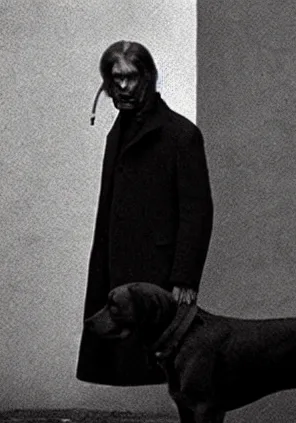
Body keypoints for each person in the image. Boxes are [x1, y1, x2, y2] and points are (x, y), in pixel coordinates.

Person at [77, 41, 214, 386]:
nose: (123, 86)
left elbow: (197, 211)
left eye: (131, 77)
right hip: (118, 263)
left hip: (158, 269)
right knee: (123, 353)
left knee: (173, 359)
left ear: (148, 78)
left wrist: (184, 276)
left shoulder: (181, 135)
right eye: (115, 78)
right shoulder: (118, 132)